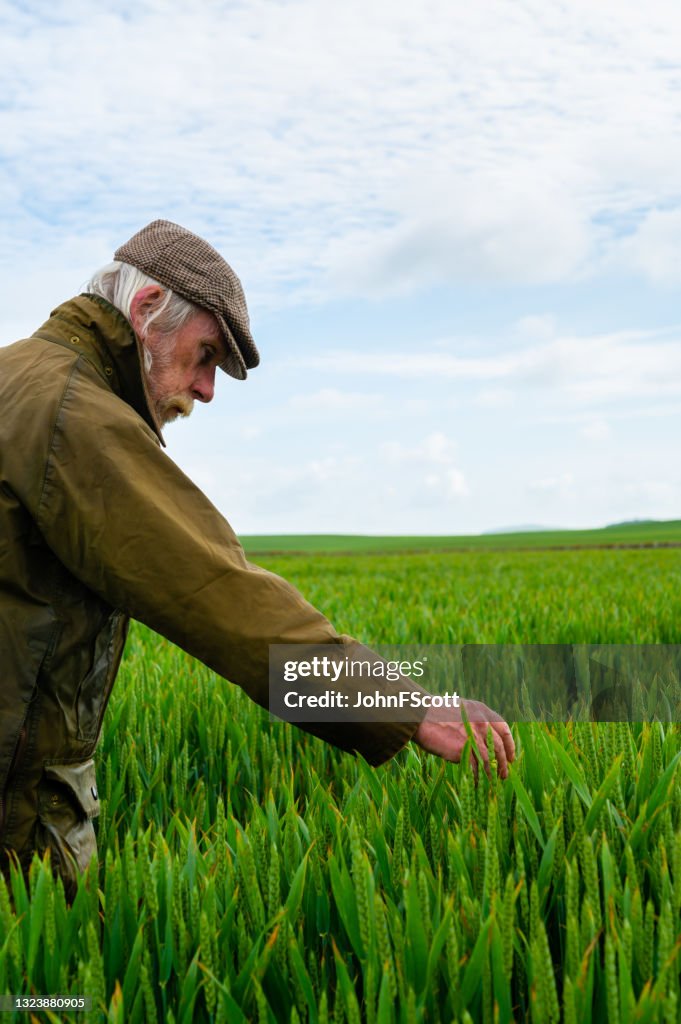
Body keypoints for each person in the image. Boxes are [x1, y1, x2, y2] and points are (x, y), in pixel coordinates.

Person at [0, 220, 515, 897]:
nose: (208, 389)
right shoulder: (76, 417)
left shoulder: (17, 378)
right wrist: (408, 707)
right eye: (205, 354)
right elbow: (220, 596)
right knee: (47, 995)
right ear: (147, 308)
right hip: (17, 808)